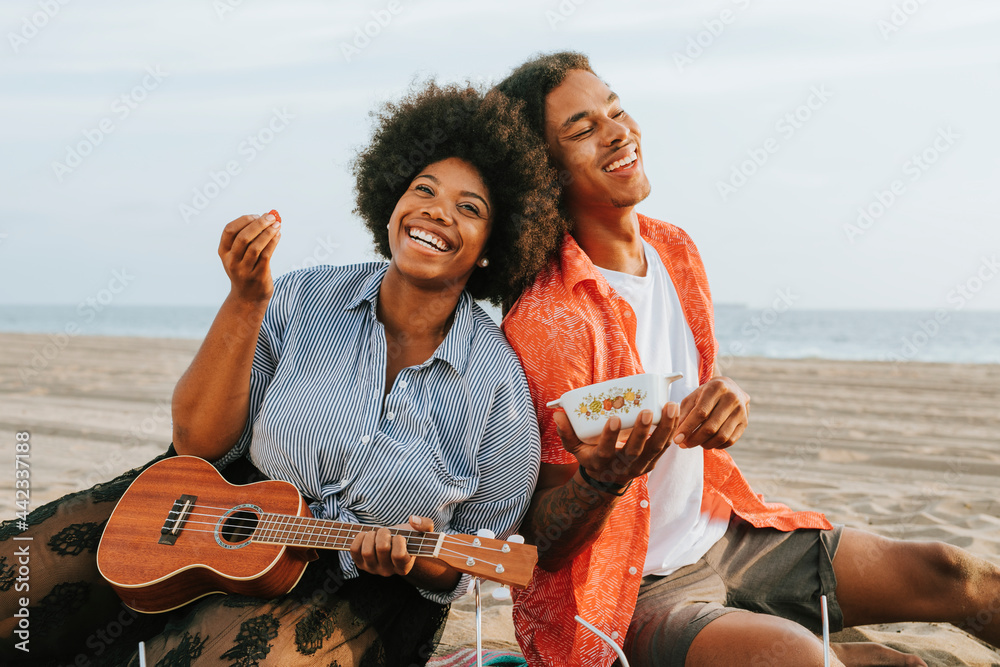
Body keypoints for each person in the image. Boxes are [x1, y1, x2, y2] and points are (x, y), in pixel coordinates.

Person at [0, 82, 567, 666]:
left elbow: (474, 557)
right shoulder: (303, 296)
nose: (436, 210)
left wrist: (415, 556)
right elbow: (198, 443)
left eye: (468, 208)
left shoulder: (497, 380)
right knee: (21, 577)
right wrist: (246, 300)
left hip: (361, 592)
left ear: (492, 248)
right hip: (216, 512)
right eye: (422, 189)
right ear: (391, 202)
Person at [497, 52, 1000, 667]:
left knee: (956, 576)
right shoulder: (548, 320)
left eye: (617, 110)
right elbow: (538, 544)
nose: (617, 132)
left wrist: (725, 398)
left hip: (729, 537)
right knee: (794, 659)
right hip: (632, 592)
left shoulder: (675, 250)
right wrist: (601, 479)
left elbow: (693, 401)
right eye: (582, 130)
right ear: (542, 172)